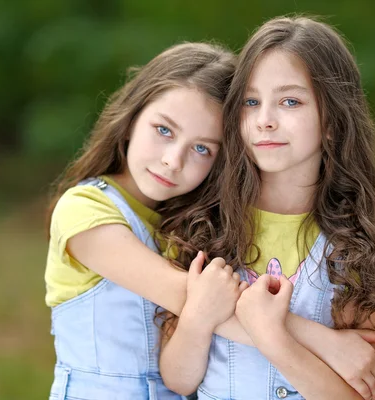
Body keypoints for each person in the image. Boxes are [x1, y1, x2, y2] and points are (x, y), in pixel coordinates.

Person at [159, 16, 375, 400]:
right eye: (251, 102)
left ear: (332, 121)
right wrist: (198, 318)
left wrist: (274, 337)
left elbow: (355, 393)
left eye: (290, 101)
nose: (265, 121)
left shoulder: (354, 249)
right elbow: (178, 379)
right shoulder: (204, 226)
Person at [44, 42, 238, 399]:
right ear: (133, 119)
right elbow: (196, 299)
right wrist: (327, 344)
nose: (172, 160)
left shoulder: (192, 225)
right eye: (164, 130)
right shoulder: (84, 208)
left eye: (201, 149)